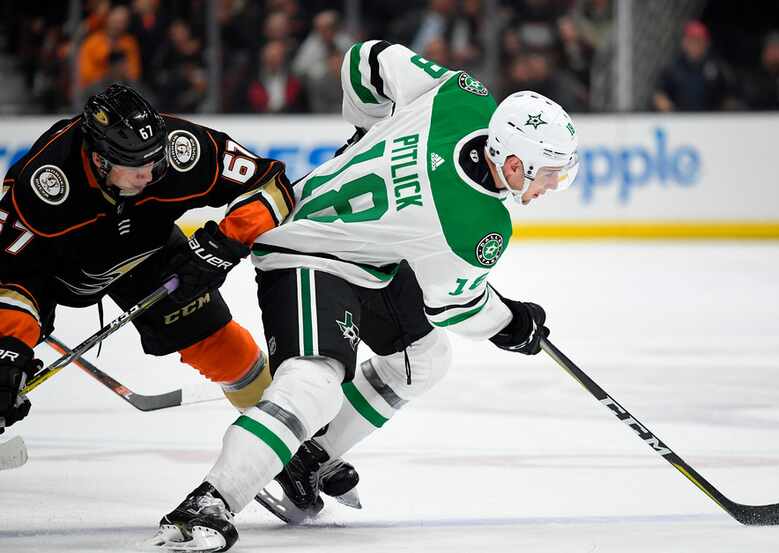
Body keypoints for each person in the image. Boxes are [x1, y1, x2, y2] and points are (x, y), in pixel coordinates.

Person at [148, 41, 580, 553]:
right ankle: (212, 500)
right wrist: (512, 322)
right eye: (548, 172)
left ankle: (307, 457)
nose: (553, 184)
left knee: (424, 359)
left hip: (368, 258)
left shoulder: (461, 97)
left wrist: (365, 131)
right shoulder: (480, 224)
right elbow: (455, 306)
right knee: (314, 383)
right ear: (511, 161)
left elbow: (366, 59)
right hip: (302, 248)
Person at [0, 84, 294, 435]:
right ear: (99, 160)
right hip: (56, 267)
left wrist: (225, 243)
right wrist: (8, 349)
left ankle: (288, 438)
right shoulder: (45, 184)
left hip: (146, 249)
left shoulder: (181, 148)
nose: (150, 174)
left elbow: (272, 183)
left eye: (155, 161)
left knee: (224, 348)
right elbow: (10, 275)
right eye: (136, 167)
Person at [652, 20, 736, 112]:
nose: (695, 45)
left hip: (710, 120)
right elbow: (660, 94)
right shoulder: (672, 68)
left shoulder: (716, 67)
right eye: (691, 41)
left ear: (706, 43)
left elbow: (729, 95)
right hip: (680, 120)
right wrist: (668, 108)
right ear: (684, 42)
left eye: (699, 41)